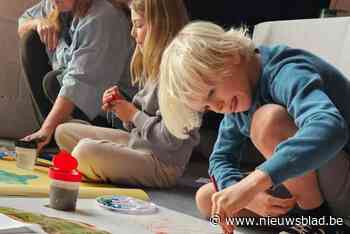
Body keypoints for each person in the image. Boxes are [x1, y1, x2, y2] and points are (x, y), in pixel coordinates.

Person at [158, 21, 350, 233]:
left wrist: (252, 185)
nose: (218, 107)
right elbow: (220, 159)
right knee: (210, 200)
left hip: (343, 178)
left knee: (267, 121)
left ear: (231, 55)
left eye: (211, 93)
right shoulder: (237, 97)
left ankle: (318, 222)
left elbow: (330, 127)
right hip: (320, 185)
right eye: (207, 106)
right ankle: (310, 219)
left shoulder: (284, 70)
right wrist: (250, 197)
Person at [54, 0, 199, 188]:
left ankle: (102, 165)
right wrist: (121, 108)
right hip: (139, 143)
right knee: (63, 132)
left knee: (84, 152)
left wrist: (132, 114)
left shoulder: (180, 71)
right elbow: (138, 126)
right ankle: (107, 165)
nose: (132, 33)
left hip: (163, 164)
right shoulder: (155, 62)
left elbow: (170, 141)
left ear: (160, 24)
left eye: (138, 25)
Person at [18, 0, 136, 150]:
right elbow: (23, 23)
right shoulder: (56, 4)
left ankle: (51, 135)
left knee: (53, 82)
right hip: (75, 96)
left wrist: (46, 128)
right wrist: (38, 22)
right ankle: (50, 139)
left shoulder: (103, 16)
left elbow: (78, 83)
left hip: (112, 114)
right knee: (31, 40)